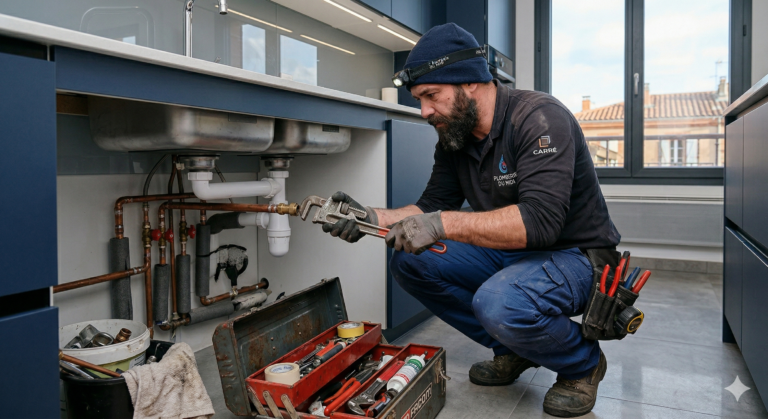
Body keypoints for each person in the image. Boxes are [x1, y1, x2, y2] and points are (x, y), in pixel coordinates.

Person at [322, 22, 621, 418]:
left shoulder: (539, 118)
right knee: (412, 260)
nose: (425, 111)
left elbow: (540, 223)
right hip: (513, 253)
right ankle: (514, 348)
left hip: (577, 258)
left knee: (499, 301)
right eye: (419, 98)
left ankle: (582, 364)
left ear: (470, 83)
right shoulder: (455, 135)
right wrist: (369, 217)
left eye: (431, 96)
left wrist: (441, 223)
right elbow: (430, 204)